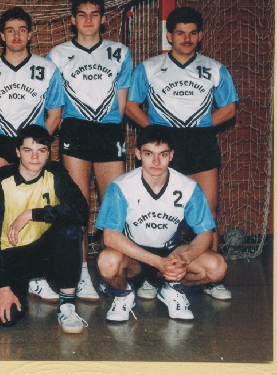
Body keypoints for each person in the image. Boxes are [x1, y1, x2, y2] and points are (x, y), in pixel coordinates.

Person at [125, 6, 238, 300]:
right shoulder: (149, 68)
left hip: (201, 145)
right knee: (159, 212)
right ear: (169, 36)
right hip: (164, 149)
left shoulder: (214, 68)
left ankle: (208, 279)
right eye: (180, 33)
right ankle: (153, 276)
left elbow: (229, 109)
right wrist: (158, 134)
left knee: (207, 213)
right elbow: (131, 106)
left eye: (192, 33)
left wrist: (199, 128)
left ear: (200, 36)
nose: (186, 39)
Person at [0, 6, 65, 303]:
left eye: (22, 30)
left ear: (30, 34)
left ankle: (34, 275)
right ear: (1, 35)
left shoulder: (47, 69)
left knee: (34, 207)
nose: (16, 35)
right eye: (10, 30)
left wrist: (37, 146)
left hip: (31, 145)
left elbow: (55, 113)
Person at [47, 0, 133, 303]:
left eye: (94, 14)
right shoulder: (57, 54)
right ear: (72, 20)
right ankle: (81, 274)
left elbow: (121, 104)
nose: (88, 20)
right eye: (81, 14)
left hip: (108, 131)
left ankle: (115, 272)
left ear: (103, 19)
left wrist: (109, 126)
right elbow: (54, 103)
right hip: (75, 131)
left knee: (115, 209)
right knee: (78, 209)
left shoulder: (119, 52)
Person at [95, 125, 227, 322]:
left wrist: (184, 258)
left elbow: (206, 234)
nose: (156, 162)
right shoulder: (121, 187)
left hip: (171, 254)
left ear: (171, 155)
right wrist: (156, 262)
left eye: (163, 154)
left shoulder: (188, 187)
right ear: (138, 154)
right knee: (107, 262)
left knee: (217, 267)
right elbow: (110, 237)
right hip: (134, 256)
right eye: (149, 154)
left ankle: (173, 288)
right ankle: (123, 294)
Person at [0, 125, 89, 333]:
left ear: (48, 153)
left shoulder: (56, 173)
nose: (35, 157)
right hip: (10, 256)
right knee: (6, 317)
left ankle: (67, 306)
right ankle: (19, 286)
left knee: (70, 229)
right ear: (17, 152)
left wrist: (32, 214)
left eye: (41, 150)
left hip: (45, 253)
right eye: (28, 150)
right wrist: (2, 285)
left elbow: (81, 210)